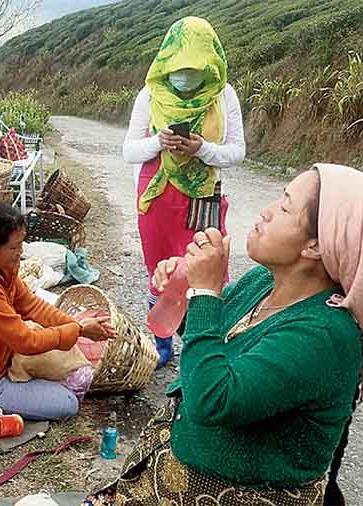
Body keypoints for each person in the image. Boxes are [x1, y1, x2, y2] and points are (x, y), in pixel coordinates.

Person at [85, 164, 363, 506]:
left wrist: (206, 292)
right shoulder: (263, 282)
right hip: (165, 480)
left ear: (315, 245)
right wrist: (184, 291)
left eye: (284, 207)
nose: (266, 211)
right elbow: (205, 343)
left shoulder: (324, 334)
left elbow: (213, 401)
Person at [123, 17, 246, 368]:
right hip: (157, 197)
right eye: (179, 68)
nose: (185, 77)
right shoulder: (150, 94)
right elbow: (129, 151)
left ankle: (205, 349)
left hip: (203, 198)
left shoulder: (223, 94)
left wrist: (202, 149)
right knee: (159, 273)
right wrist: (158, 142)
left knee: (207, 272)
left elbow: (236, 152)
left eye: (194, 69)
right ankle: (163, 344)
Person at [0, 202, 116, 421]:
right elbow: (26, 342)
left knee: (50, 340)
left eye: (21, 244)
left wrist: (75, 327)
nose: (20, 252)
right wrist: (78, 329)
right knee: (67, 404)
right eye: (14, 248)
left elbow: (31, 304)